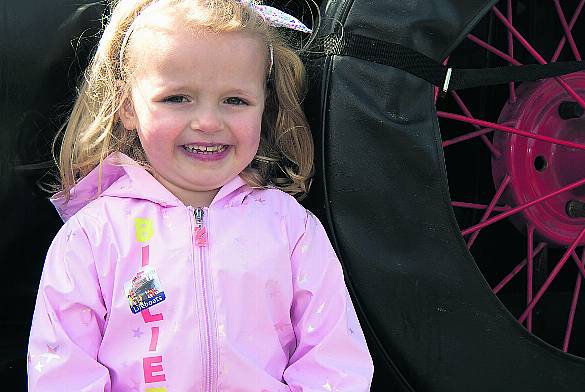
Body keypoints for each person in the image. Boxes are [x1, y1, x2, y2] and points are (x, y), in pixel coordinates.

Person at [27, 0, 374, 390]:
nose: (208, 122)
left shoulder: (291, 228)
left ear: (265, 106)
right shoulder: (92, 236)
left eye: (235, 100)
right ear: (127, 107)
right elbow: (63, 372)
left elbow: (334, 359)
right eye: (177, 98)